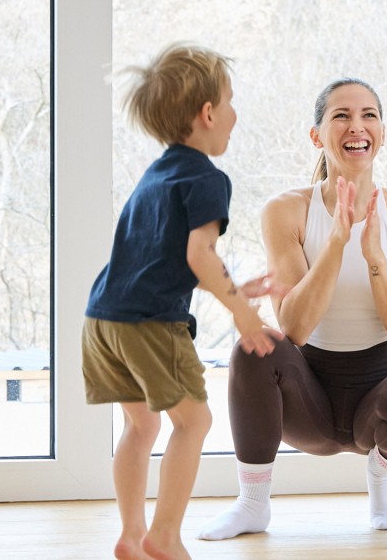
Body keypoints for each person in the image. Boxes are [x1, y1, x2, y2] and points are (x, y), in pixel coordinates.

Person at [199, 78, 387, 541]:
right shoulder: (287, 211)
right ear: (317, 135)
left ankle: (381, 473)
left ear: (382, 132)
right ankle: (252, 504)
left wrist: (376, 258)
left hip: (380, 402)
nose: (356, 126)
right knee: (255, 347)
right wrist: (338, 243)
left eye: (368, 115)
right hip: (308, 398)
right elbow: (293, 327)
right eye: (341, 116)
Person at [82, 42, 284, 560]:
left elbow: (161, 257)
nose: (236, 115)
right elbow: (200, 255)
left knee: (139, 425)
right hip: (150, 325)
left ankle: (131, 534)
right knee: (194, 423)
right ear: (209, 113)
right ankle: (164, 536)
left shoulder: (158, 174)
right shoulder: (207, 179)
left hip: (104, 318)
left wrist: (239, 284)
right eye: (231, 102)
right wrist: (243, 312)